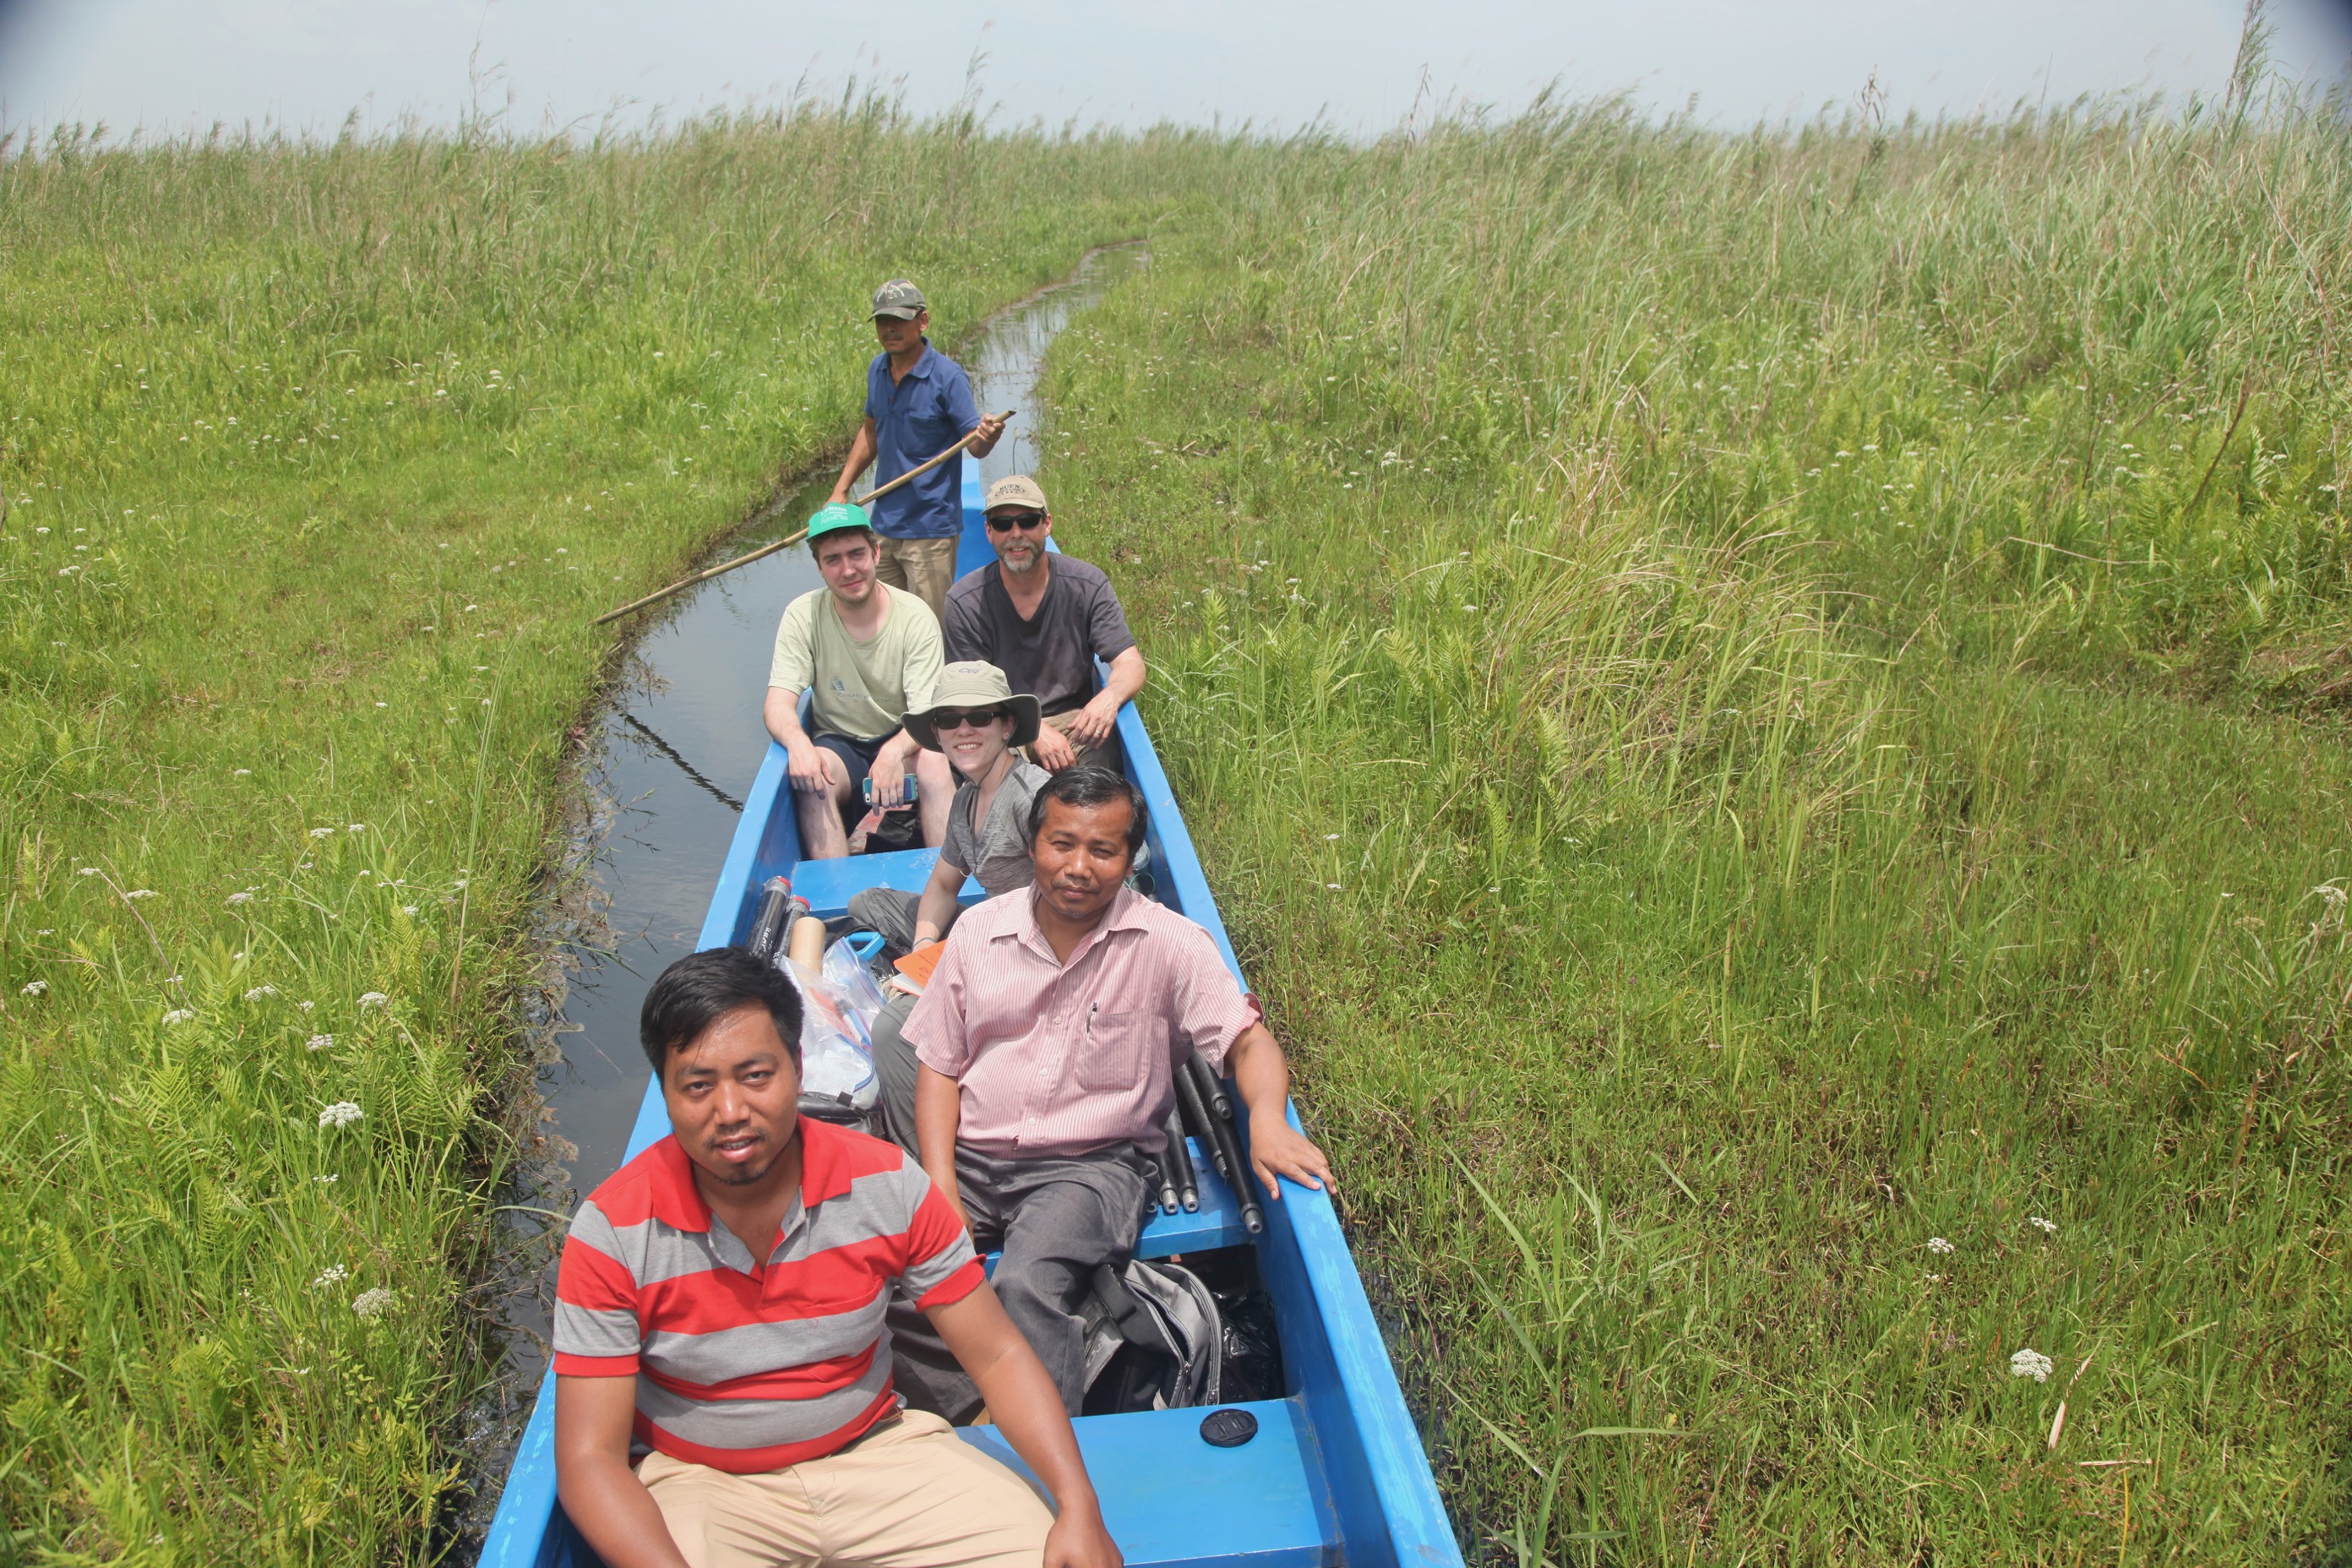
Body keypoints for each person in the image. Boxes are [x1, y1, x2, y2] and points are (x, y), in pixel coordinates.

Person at [550, 946, 1123, 1568]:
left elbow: (998, 1354)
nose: (731, 1112)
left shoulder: (885, 1183)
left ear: (798, 1067)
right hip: (705, 1485)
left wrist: (1077, 1505)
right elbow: (590, 1458)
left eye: (755, 1076)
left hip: (879, 1455)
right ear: (664, 1090)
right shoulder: (613, 1232)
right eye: (697, 1086)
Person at [891, 768, 1336, 1420]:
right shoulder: (978, 932)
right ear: (1032, 842)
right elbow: (938, 1066)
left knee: (1025, 1285)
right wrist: (941, 1185)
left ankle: (1046, 1454)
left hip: (1091, 1168)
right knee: (887, 1273)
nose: (1078, 867)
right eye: (1061, 844)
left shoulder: (1170, 944)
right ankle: (973, 1417)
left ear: (1130, 859)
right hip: (974, 1157)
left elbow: (1248, 1043)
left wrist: (1266, 1119)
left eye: (1102, 851)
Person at [845, 662, 1052, 1155]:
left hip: (1034, 951)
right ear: (935, 733)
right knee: (866, 903)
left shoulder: (1034, 800)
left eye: (979, 717)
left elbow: (1063, 913)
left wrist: (948, 968)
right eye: (950, 720)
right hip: (990, 928)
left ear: (1005, 726)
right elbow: (942, 884)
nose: (964, 730)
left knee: (892, 1027)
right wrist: (923, 950)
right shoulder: (965, 801)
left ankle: (921, 1159)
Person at [765, 503, 953, 858]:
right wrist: (798, 744)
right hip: (840, 743)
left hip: (904, 736)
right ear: (820, 568)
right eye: (833, 559)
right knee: (812, 778)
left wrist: (893, 752)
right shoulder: (802, 616)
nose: (848, 570)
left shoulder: (914, 617)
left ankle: (947, 882)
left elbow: (927, 713)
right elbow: (778, 703)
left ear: (876, 553)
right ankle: (835, 894)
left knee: (935, 761)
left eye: (856, 554)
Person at [828, 279, 1008, 622]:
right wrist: (841, 490)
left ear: (922, 322)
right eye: (882, 321)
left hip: (931, 529)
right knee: (878, 622)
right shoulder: (877, 369)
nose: (890, 329)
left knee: (928, 628)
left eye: (899, 320)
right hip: (883, 524)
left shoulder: (948, 377)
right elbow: (870, 431)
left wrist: (989, 434)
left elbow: (977, 445)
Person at [945, 476, 1145, 774]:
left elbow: (1130, 662)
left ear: (1046, 525)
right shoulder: (965, 602)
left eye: (1027, 521)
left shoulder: (1087, 585)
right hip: (1001, 723)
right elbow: (972, 698)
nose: (1016, 534)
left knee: (1097, 786)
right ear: (989, 531)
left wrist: (1109, 698)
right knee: (1006, 791)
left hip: (1073, 721)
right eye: (1002, 524)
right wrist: (1033, 729)